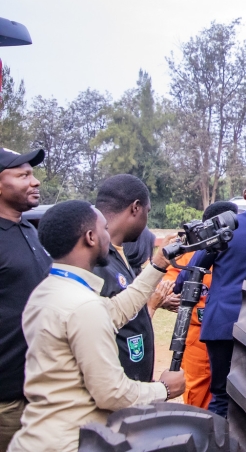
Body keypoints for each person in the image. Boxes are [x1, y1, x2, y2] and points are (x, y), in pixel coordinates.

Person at [7, 201, 185, 452]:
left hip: (42, 436)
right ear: (90, 237)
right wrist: (164, 389)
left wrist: (157, 265)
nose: (108, 235)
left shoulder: (51, 289)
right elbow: (112, 393)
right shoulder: (82, 306)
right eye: (104, 229)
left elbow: (117, 309)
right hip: (71, 443)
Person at [190, 174, 246, 417]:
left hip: (221, 324)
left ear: (244, 195)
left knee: (221, 395)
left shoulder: (225, 228)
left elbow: (194, 268)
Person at [166, 200, 238, 409]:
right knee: (198, 391)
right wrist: (167, 298)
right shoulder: (192, 253)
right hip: (197, 335)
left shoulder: (237, 252)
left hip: (229, 333)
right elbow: (169, 285)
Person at [0, 148, 49, 451]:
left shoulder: (30, 230)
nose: (35, 181)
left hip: (36, 392)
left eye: (32, 174)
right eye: (23, 175)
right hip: (4, 400)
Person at [93, 175, 160, 382]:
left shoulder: (121, 255)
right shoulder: (97, 262)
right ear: (136, 208)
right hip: (115, 393)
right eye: (147, 212)